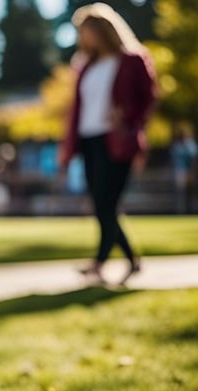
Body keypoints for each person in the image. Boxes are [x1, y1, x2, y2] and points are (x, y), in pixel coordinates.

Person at [59, 3, 157, 286]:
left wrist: (128, 119)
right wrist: (68, 147)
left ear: (101, 30)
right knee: (102, 204)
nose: (82, 37)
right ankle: (130, 260)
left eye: (85, 31)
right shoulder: (85, 66)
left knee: (106, 201)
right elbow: (76, 111)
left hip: (117, 140)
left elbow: (148, 98)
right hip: (89, 139)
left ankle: (100, 262)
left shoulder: (131, 60)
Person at [170, 124, 196, 214]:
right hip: (180, 171)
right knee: (180, 192)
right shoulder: (177, 146)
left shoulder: (191, 145)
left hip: (190, 171)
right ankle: (180, 210)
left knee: (190, 192)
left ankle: (190, 210)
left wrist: (191, 171)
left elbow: (193, 158)